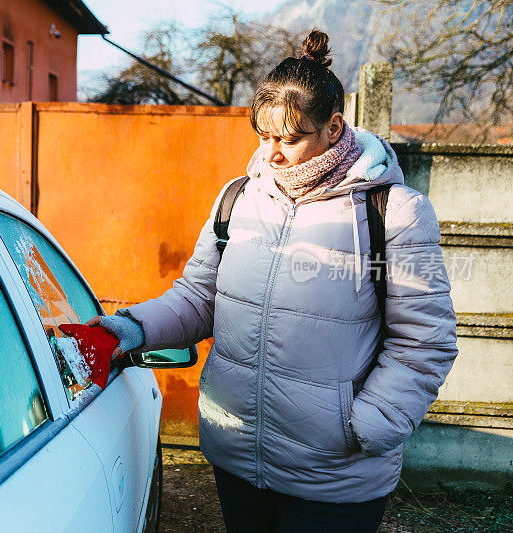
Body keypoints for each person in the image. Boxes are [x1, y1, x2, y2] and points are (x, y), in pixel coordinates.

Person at [90, 30, 458, 532]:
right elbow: (199, 298)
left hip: (334, 476)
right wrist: (127, 330)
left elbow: (425, 340)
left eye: (288, 138)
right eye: (263, 137)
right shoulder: (237, 199)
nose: (273, 153)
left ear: (333, 126)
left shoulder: (395, 214)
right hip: (238, 456)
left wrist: (368, 425)